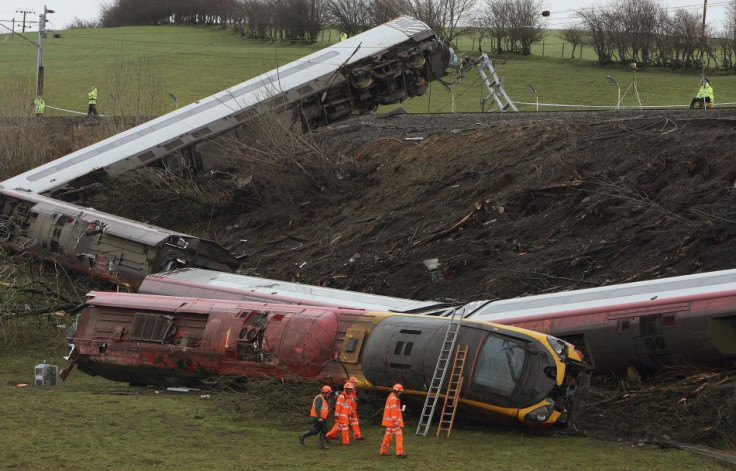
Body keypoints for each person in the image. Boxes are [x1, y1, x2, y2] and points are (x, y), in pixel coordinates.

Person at [299, 385, 332, 449]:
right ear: (324, 393)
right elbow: (317, 408)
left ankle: (302, 436)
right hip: (318, 418)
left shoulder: (323, 398)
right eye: (328, 393)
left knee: (316, 431)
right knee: (324, 430)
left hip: (318, 418)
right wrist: (319, 417)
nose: (329, 395)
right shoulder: (320, 398)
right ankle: (321, 446)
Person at [380, 383, 407, 458]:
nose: (401, 393)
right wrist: (395, 421)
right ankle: (399, 452)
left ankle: (383, 451)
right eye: (400, 392)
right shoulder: (393, 399)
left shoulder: (392, 397)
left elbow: (393, 410)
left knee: (388, 435)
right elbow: (393, 410)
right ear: (398, 391)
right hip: (393, 421)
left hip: (389, 422)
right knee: (399, 435)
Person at [347, 376, 364, 440]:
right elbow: (348, 402)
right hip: (349, 411)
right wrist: (351, 410)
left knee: (355, 422)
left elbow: (352, 400)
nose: (356, 385)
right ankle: (330, 434)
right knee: (340, 424)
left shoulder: (352, 391)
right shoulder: (349, 390)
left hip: (352, 410)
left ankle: (357, 435)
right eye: (355, 383)